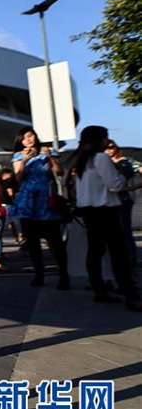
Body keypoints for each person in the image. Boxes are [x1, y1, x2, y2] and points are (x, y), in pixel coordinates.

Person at [71, 127, 142, 312]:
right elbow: (115, 184)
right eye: (105, 138)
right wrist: (133, 183)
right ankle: (130, 294)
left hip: (89, 211)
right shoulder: (101, 158)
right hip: (105, 211)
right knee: (120, 254)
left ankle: (99, 289)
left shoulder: (81, 160)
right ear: (100, 140)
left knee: (95, 252)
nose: (107, 142)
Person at [9, 127, 70, 290]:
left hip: (47, 200)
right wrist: (23, 161)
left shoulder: (47, 152)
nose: (29, 139)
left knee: (55, 242)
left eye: (31, 136)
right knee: (33, 242)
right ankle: (39, 274)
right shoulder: (18, 155)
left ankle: (64, 275)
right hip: (29, 201)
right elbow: (18, 176)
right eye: (25, 138)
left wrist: (50, 157)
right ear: (20, 141)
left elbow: (59, 172)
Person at [105, 139, 141, 271]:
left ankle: (131, 259)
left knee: (124, 229)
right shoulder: (103, 162)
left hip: (123, 198)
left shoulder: (126, 161)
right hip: (108, 199)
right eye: (106, 148)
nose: (108, 150)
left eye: (111, 147)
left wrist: (132, 188)